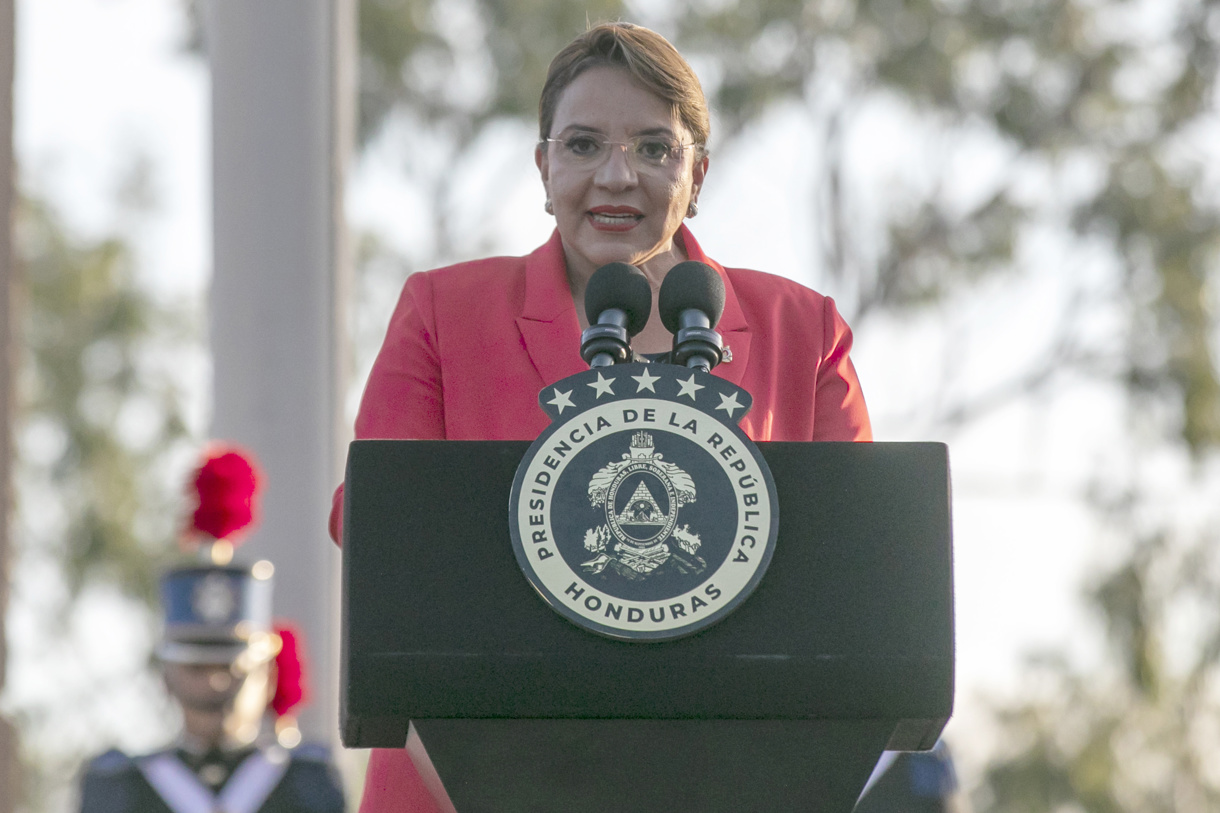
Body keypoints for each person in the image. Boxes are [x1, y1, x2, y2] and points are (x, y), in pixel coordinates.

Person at [330, 22, 871, 812]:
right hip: (466, 781)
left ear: (699, 173)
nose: (617, 176)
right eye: (584, 145)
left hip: (734, 780)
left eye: (655, 148)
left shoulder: (803, 328)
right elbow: (377, 524)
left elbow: (858, 560)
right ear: (543, 166)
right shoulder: (445, 312)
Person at [80, 447, 347, 813]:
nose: (216, 685)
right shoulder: (117, 788)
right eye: (196, 668)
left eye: (232, 668)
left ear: (268, 674)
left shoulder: (307, 784)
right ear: (166, 678)